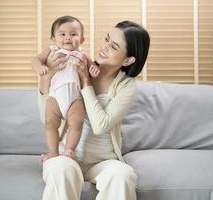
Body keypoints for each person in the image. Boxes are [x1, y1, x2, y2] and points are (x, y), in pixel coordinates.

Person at [36, 20, 150, 200]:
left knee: (123, 175)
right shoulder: (76, 66)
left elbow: (100, 125)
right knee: (61, 168)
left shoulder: (126, 86)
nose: (104, 47)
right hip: (68, 156)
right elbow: (47, 119)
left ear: (128, 59)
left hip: (103, 161)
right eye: (106, 39)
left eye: (113, 46)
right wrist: (47, 77)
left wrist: (86, 82)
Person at [31, 16, 100, 160]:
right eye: (62, 34)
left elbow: (92, 66)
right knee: (50, 124)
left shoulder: (82, 54)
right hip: (55, 96)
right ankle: (53, 151)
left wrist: (94, 70)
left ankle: (69, 149)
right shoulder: (51, 51)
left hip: (75, 98)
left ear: (82, 40)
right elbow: (36, 60)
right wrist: (39, 67)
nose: (68, 38)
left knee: (77, 123)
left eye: (73, 34)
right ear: (54, 38)